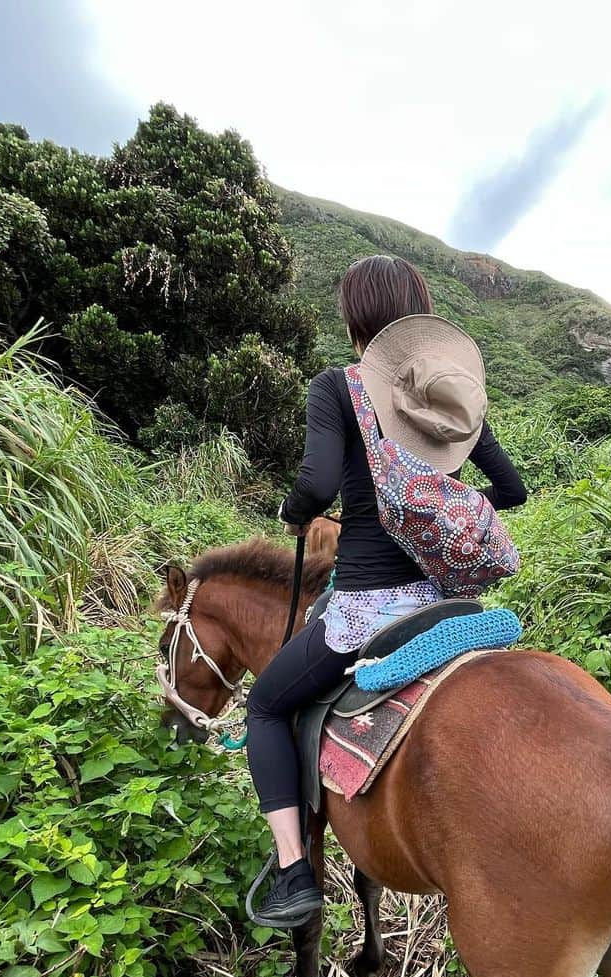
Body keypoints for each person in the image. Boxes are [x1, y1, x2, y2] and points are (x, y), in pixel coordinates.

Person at [246, 254, 527, 927]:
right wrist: (441, 509)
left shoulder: (338, 388)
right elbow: (513, 490)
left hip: (366, 613)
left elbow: (315, 488)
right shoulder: (447, 397)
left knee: (262, 708)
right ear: (420, 316)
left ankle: (293, 874)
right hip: (445, 607)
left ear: (356, 320)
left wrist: (293, 512)